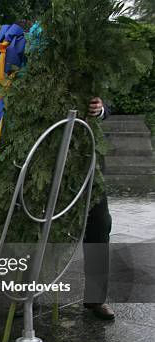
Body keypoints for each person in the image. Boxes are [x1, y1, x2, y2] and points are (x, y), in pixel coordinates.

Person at [83, 96, 115, 320]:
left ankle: (96, 297)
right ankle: (29, 297)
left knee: (100, 225)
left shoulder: (91, 63)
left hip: (90, 164)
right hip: (48, 161)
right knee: (37, 228)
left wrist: (101, 108)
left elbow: (108, 101)